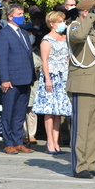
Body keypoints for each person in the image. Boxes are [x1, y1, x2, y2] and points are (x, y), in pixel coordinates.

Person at [67, 0, 95, 178]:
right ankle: (79, 166)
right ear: (86, 12)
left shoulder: (94, 29)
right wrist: (89, 18)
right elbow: (78, 37)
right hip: (82, 84)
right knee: (81, 128)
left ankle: (91, 163)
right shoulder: (75, 27)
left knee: (94, 129)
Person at [0, 4, 37, 154]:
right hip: (11, 80)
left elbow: (28, 56)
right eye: (19, 13)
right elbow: (2, 58)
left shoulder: (24, 33)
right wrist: (5, 79)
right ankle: (8, 143)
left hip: (25, 79)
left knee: (20, 113)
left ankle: (18, 141)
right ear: (10, 16)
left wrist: (32, 77)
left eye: (23, 13)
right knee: (9, 113)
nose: (22, 16)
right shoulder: (3, 34)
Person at [31, 11, 71, 155]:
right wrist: (48, 79)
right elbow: (44, 61)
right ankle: (50, 142)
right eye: (60, 21)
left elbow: (68, 58)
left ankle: (57, 142)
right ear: (52, 24)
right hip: (51, 78)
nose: (63, 23)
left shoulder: (66, 38)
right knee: (49, 110)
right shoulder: (46, 40)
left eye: (63, 20)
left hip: (63, 77)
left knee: (58, 111)